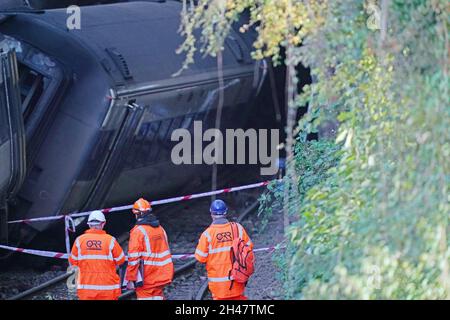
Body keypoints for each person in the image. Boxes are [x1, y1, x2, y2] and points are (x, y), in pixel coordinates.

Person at [195, 199, 253, 300]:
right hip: (237, 279)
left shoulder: (207, 234)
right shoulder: (237, 228)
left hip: (218, 285)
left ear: (211, 214)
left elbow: (200, 258)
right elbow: (249, 247)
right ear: (226, 213)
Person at [69, 210, 125, 300]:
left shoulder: (79, 241)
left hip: (86, 290)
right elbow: (121, 260)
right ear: (103, 224)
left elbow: (73, 262)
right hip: (108, 290)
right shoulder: (110, 240)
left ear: (89, 225)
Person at [125, 198, 174, 300]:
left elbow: (134, 258)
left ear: (137, 214)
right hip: (162, 274)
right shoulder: (160, 229)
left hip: (147, 276)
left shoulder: (138, 231)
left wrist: (130, 278)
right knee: (158, 297)